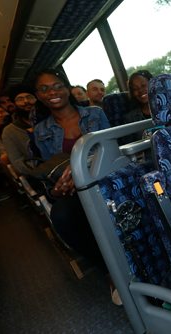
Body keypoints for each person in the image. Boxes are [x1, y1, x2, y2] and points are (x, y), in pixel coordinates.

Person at [32, 69, 121, 304]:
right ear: (38, 96)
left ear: (67, 88)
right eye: (44, 88)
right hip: (74, 189)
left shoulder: (94, 113)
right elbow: (53, 169)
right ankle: (111, 271)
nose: (52, 92)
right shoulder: (41, 131)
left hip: (104, 176)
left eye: (57, 85)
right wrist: (57, 189)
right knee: (63, 216)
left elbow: (111, 146)